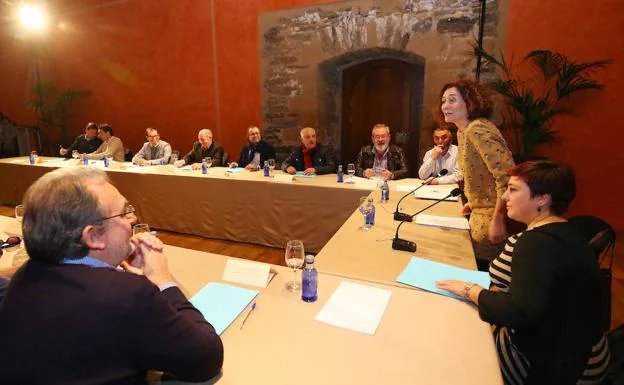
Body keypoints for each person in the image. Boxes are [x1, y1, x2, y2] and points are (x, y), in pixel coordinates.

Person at [0, 167, 224, 383]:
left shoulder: (24, 275)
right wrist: (162, 278)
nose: (133, 219)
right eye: (125, 212)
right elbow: (206, 358)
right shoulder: (127, 294)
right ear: (94, 236)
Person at [437, 161, 609, 384]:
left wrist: (471, 290)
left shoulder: (534, 243)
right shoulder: (564, 230)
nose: (505, 197)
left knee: (454, 348)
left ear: (543, 198)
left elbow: (519, 312)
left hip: (562, 365)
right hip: (585, 351)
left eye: (513, 190)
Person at [436, 79, 515, 267]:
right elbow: (478, 174)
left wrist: (498, 218)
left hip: (491, 218)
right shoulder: (463, 132)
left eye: (452, 100)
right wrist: (472, 203)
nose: (445, 106)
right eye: (443, 100)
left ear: (469, 103)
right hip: (479, 213)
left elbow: (507, 176)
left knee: (477, 271)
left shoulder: (477, 129)